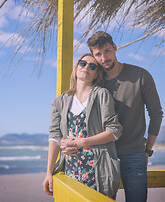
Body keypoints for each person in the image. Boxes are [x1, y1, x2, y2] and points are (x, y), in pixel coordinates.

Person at [61, 31, 163, 202]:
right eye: (98, 54)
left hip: (134, 154)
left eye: (107, 51)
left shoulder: (141, 76)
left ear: (115, 48)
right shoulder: (94, 83)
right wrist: (68, 143)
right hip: (102, 156)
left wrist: (147, 150)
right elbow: (75, 114)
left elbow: (156, 114)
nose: (103, 57)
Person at [43, 53, 123, 199]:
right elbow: (55, 137)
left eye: (92, 66)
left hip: (98, 171)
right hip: (71, 171)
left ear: (96, 74)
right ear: (76, 67)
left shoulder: (101, 95)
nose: (86, 67)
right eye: (83, 63)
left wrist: (81, 142)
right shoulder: (59, 102)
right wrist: (49, 172)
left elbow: (114, 131)